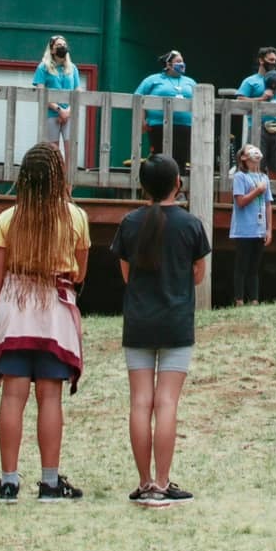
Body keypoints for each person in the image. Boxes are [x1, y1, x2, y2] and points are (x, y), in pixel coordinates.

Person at [0, 143, 89, 504]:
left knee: (13, 396)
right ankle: (50, 482)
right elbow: (80, 272)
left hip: (15, 309)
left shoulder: (8, 219)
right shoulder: (75, 217)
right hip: (55, 312)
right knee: (50, 396)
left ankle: (9, 481)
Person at [112, 154, 212, 507]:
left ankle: (144, 483)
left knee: (140, 402)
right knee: (166, 402)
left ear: (143, 186)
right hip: (175, 321)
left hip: (138, 322)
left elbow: (126, 275)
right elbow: (198, 274)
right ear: (177, 184)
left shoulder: (130, 223)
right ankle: (163, 481)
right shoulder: (191, 224)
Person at [134, 50, 196, 169]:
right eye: (178, 61)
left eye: (182, 61)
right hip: (159, 125)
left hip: (186, 126)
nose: (182, 64)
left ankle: (178, 179)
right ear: (168, 64)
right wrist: (142, 121)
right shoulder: (153, 80)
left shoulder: (190, 82)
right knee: (160, 159)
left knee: (181, 159)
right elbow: (138, 98)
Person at [237, 49, 276, 182]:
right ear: (261, 60)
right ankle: (256, 191)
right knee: (255, 163)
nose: (273, 63)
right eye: (271, 60)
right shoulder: (250, 81)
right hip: (258, 127)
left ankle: (272, 193)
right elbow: (240, 100)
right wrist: (261, 98)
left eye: (275, 60)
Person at [230, 145, 274, 306]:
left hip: (259, 229)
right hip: (243, 230)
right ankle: (239, 300)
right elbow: (240, 202)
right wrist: (257, 191)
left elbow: (268, 204)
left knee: (254, 268)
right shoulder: (240, 177)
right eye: (250, 148)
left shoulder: (264, 178)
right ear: (243, 157)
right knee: (241, 266)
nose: (254, 150)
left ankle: (254, 300)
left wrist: (269, 229)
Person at [33, 35, 80, 151]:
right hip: (51, 114)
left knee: (71, 151)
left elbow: (78, 92)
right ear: (52, 49)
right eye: (59, 45)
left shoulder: (73, 68)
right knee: (53, 152)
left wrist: (67, 112)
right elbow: (41, 92)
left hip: (69, 114)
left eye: (64, 45)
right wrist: (59, 110)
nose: (62, 47)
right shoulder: (43, 68)